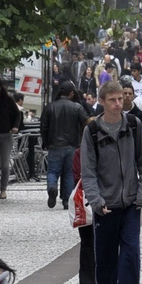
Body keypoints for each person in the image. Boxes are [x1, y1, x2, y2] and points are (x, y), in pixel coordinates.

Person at [80, 81, 142, 284]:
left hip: (131, 203)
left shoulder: (134, 125)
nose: (118, 103)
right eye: (112, 99)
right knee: (106, 257)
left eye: (120, 98)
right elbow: (87, 172)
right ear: (101, 101)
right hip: (106, 205)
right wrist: (96, 201)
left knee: (130, 255)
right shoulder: (92, 131)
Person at [40, 80, 89, 209]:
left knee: (52, 171)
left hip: (55, 145)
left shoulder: (50, 107)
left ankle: (52, 187)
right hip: (72, 145)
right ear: (71, 93)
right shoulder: (77, 107)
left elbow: (43, 127)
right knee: (69, 173)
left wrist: (45, 142)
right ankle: (67, 200)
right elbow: (86, 123)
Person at [73, 118, 97, 284]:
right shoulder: (79, 154)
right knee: (87, 242)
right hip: (87, 203)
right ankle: (87, 282)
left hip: (106, 202)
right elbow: (77, 177)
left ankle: (99, 281)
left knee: (102, 244)